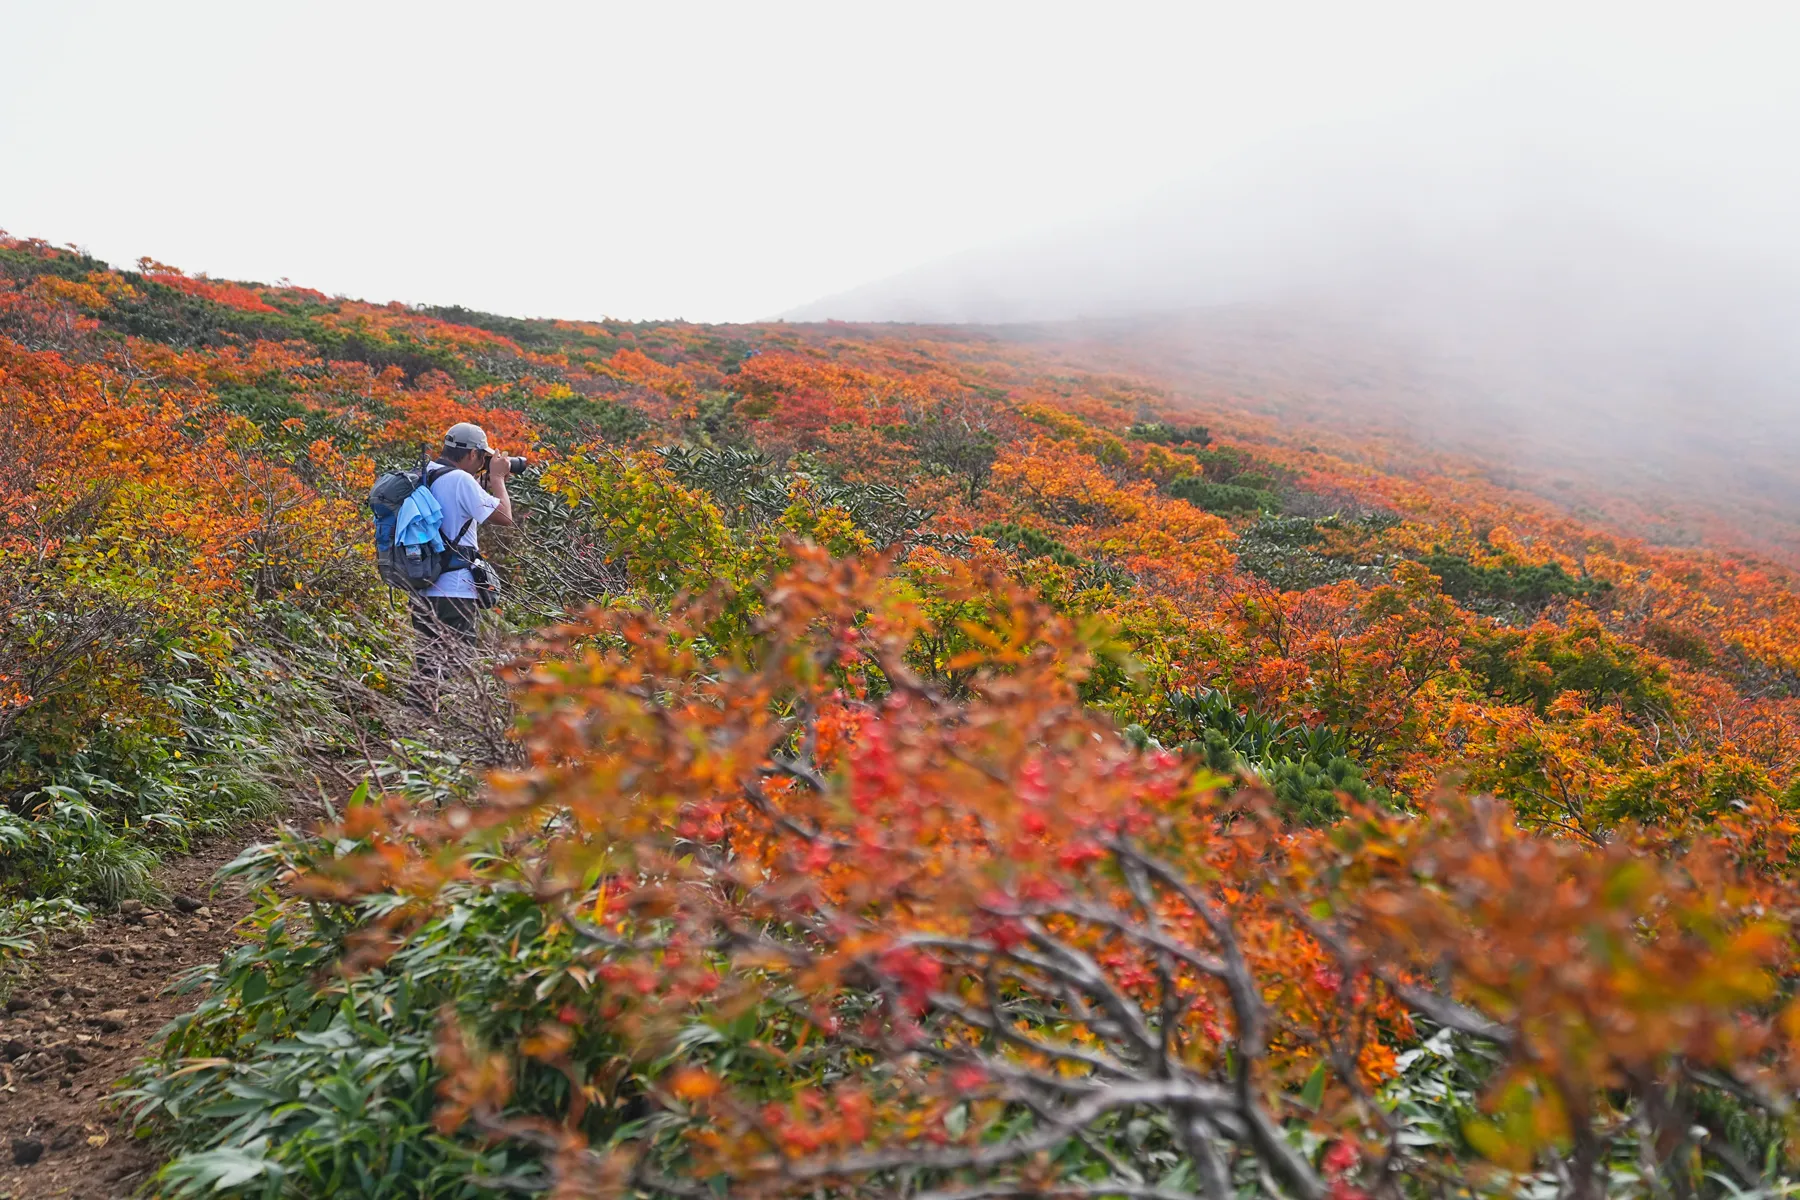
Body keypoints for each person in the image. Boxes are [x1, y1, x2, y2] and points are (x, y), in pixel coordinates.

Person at [410, 421, 514, 708]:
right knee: (455, 664)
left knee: (428, 662)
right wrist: (498, 479)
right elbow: (505, 516)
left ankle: (413, 725)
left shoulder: (426, 473)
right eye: (483, 458)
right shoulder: (460, 480)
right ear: (472, 454)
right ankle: (428, 727)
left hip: (423, 586)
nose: (483, 463)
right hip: (455, 590)